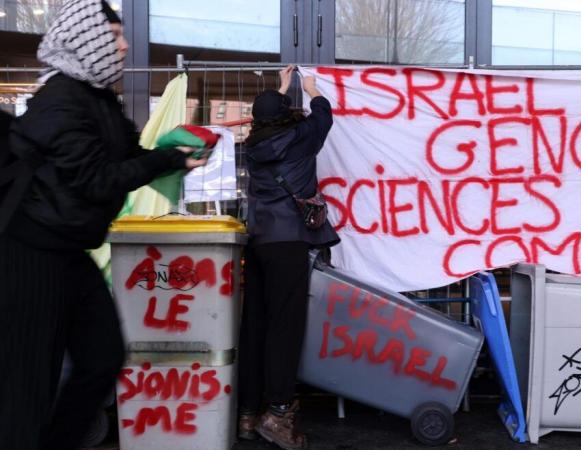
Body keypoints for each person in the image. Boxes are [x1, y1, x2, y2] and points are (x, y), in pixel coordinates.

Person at [0, 1, 207, 449]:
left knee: (103, 357)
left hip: (71, 251)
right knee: (28, 389)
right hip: (31, 255)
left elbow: (128, 155)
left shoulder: (96, 97)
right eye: (114, 35)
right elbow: (97, 179)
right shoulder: (58, 101)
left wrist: (172, 151)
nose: (124, 44)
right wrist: (165, 158)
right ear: (86, 41)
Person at [238, 66, 339, 449]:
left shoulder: (252, 145)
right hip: (289, 243)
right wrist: (310, 89)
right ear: (286, 114)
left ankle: (248, 413)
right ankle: (279, 413)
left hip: (258, 241)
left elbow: (267, 116)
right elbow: (324, 117)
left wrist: (280, 89)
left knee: (255, 325)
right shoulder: (300, 138)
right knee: (284, 328)